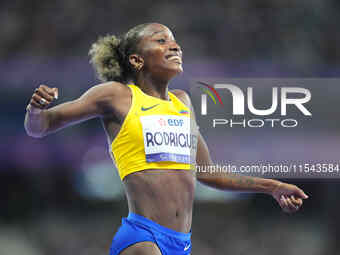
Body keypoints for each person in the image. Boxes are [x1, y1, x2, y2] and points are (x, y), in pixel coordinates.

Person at [24, 23, 308, 255]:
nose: (175, 46)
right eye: (161, 41)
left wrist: (272, 186)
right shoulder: (117, 95)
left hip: (181, 244)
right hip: (143, 238)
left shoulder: (182, 102)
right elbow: (41, 127)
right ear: (137, 60)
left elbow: (207, 173)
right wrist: (36, 109)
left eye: (174, 42)